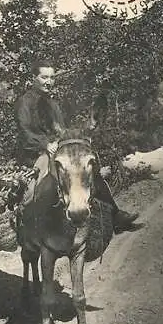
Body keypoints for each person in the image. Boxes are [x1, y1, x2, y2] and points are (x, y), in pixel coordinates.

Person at [13, 60, 139, 233]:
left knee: (88, 170)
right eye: (44, 77)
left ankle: (115, 215)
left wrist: (73, 140)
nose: (49, 81)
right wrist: (45, 144)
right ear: (33, 78)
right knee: (39, 184)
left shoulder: (52, 104)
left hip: (56, 149)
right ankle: (30, 226)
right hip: (34, 153)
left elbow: (61, 130)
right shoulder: (24, 103)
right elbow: (24, 132)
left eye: (52, 77)